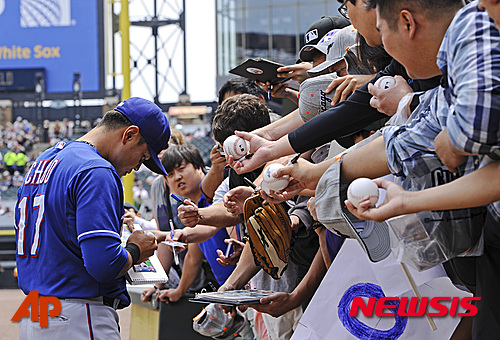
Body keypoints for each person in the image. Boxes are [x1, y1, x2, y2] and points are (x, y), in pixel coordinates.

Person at [15, 97, 168, 339]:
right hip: (76, 316)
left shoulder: (44, 159)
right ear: (129, 135)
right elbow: (103, 264)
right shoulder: (96, 170)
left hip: (35, 312)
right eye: (143, 156)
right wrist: (135, 250)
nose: (139, 167)